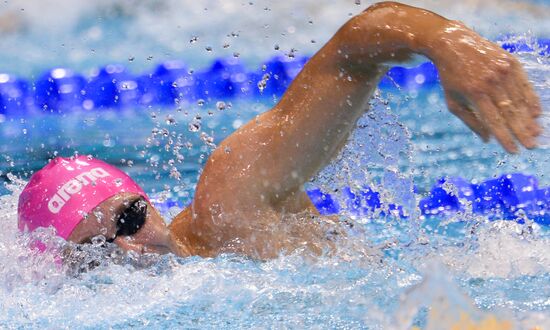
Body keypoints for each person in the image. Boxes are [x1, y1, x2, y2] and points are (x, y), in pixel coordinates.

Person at [18, 2, 542, 259]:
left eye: (130, 218)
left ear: (148, 201)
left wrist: (443, 40)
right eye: (94, 253)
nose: (129, 250)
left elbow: (352, 53)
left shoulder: (230, 203)